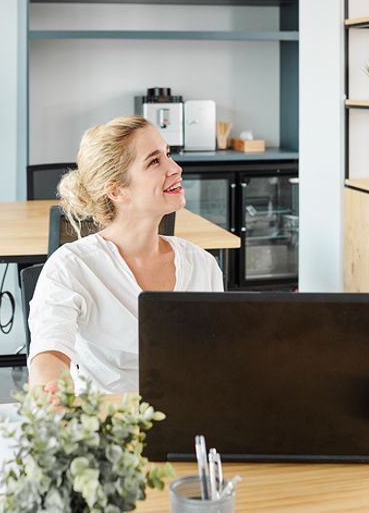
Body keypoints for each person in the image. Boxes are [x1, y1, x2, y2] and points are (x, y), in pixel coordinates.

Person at [27, 116, 224, 394]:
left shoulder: (202, 265)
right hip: (107, 428)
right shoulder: (71, 266)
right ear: (116, 191)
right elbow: (49, 353)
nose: (175, 168)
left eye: (168, 155)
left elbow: (218, 359)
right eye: (154, 161)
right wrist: (52, 393)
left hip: (187, 425)